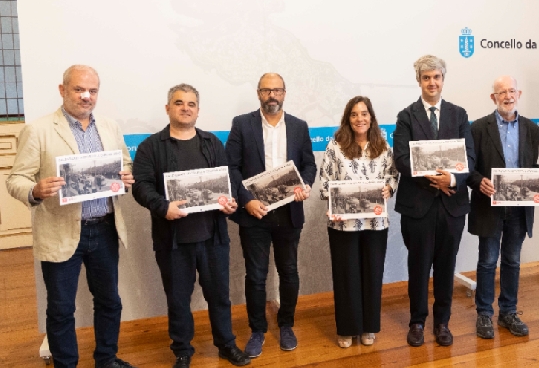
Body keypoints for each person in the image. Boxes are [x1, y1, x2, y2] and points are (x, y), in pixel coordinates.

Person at [6, 65, 136, 368]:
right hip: (61, 230)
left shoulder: (108, 126)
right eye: (79, 89)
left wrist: (126, 175)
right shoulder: (38, 130)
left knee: (109, 302)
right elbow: (15, 180)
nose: (86, 96)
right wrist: (36, 190)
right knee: (61, 308)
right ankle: (66, 365)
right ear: (63, 90)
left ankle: (106, 359)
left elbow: (125, 162)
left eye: (92, 91)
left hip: (104, 229)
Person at [131, 84, 250, 368]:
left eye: (191, 104)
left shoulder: (212, 143)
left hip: (213, 237)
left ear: (198, 110)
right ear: (168, 108)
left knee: (220, 295)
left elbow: (226, 184)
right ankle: (182, 351)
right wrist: (163, 207)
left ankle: (226, 345)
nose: (186, 108)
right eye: (179, 102)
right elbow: (141, 187)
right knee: (178, 299)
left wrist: (230, 203)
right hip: (172, 240)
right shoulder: (150, 147)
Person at [225, 73, 317, 358]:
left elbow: (309, 165)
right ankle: (257, 330)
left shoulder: (299, 127)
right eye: (267, 90)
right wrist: (246, 201)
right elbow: (232, 168)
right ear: (258, 93)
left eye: (276, 90)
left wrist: (305, 185)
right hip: (255, 214)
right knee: (256, 275)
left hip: (289, 213)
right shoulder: (242, 124)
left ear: (285, 93)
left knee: (288, 272)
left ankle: (286, 324)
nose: (272, 95)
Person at [393, 55, 475, 347]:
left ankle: (442, 322)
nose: (432, 83)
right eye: (426, 78)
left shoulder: (459, 114)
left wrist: (451, 180)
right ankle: (417, 321)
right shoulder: (406, 116)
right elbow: (402, 159)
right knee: (418, 265)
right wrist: (433, 179)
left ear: (443, 79)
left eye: (436, 77)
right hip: (418, 205)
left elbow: (470, 157)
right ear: (419, 81)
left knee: (445, 265)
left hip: (452, 204)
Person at [467, 75, 539, 339]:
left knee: (513, 261)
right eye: (501, 92)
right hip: (489, 205)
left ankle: (508, 312)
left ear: (519, 94)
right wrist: (479, 181)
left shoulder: (531, 129)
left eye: (512, 91)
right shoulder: (478, 128)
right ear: (493, 98)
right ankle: (484, 314)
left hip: (519, 208)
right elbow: (468, 169)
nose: (508, 96)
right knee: (487, 262)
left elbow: (531, 166)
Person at [318, 96, 398, 348]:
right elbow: (323, 183)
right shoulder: (335, 145)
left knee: (372, 274)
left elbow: (393, 176)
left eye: (364, 114)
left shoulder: (383, 146)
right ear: (347, 118)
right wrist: (336, 198)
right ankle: (347, 328)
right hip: (343, 225)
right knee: (346, 276)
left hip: (375, 224)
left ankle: (368, 327)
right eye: (354, 114)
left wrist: (388, 188)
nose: (359, 119)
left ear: (371, 117)